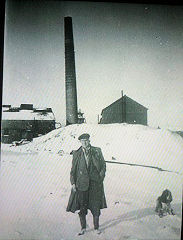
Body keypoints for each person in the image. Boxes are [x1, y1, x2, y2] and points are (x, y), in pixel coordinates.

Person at [66, 133, 107, 235]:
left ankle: (96, 227)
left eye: (86, 140)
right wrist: (73, 183)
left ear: (89, 141)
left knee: (95, 206)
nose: (84, 142)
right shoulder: (77, 154)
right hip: (81, 185)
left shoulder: (97, 151)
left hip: (94, 184)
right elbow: (73, 171)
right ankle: (83, 227)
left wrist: (100, 178)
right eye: (82, 141)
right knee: (82, 207)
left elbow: (103, 166)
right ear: (80, 142)